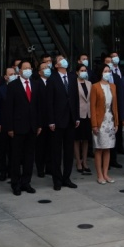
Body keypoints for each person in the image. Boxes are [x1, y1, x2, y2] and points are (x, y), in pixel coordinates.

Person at [2, 60, 44, 195]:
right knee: (16, 157)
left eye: (30, 68)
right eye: (25, 68)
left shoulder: (35, 84)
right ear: (19, 71)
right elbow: (9, 108)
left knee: (29, 157)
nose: (28, 70)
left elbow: (38, 106)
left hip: (32, 127)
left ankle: (26, 182)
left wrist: (39, 124)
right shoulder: (13, 86)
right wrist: (9, 127)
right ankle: (15, 183)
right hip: (18, 127)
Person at [46, 55, 79, 190]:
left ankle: (67, 178)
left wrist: (77, 117)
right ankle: (57, 179)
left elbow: (75, 98)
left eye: (63, 58)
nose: (63, 60)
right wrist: (51, 120)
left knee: (69, 151)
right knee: (56, 152)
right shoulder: (52, 79)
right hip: (57, 120)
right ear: (56, 65)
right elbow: (49, 101)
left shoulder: (72, 77)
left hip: (71, 119)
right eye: (60, 59)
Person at [91, 65, 120, 184]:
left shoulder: (113, 86)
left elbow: (115, 106)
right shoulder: (95, 86)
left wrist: (116, 122)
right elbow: (92, 107)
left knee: (108, 148)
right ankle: (99, 175)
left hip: (110, 120)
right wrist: (94, 124)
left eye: (109, 71)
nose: (108, 73)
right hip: (100, 122)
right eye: (105, 71)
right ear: (101, 73)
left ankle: (106, 173)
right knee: (99, 148)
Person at [0, 66, 16, 180]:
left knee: (13, 150)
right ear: (6, 77)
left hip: (15, 123)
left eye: (14, 74)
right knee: (3, 149)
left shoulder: (18, 88)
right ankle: (3, 171)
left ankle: (12, 171)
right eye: (11, 74)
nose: (13, 76)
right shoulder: (0, 89)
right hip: (3, 123)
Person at [75, 63, 93, 175]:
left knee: (86, 139)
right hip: (78, 115)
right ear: (77, 72)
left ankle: (85, 161)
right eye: (81, 70)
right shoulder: (74, 83)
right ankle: (78, 161)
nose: (83, 72)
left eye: (85, 70)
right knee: (77, 139)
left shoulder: (89, 83)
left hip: (88, 115)